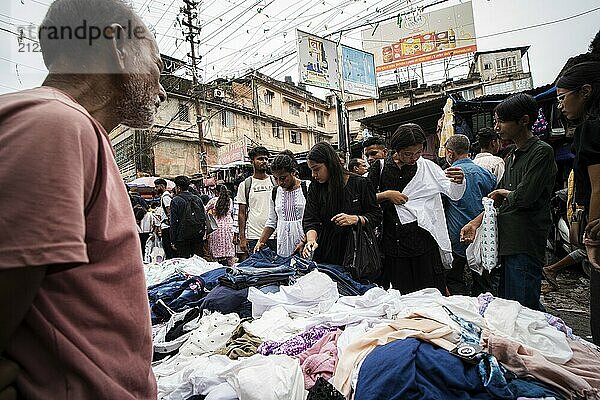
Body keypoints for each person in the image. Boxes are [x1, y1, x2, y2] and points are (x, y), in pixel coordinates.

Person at [0, 0, 166, 398]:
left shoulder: (76, 130)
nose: (160, 90)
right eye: (156, 66)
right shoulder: (53, 124)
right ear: (117, 47)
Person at [461, 94, 557, 311]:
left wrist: (502, 192)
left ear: (523, 121)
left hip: (524, 241)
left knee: (523, 309)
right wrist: (475, 223)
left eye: (501, 121)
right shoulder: (511, 155)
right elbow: (498, 201)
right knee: (509, 305)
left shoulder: (541, 151)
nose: (497, 127)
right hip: (507, 243)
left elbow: (523, 198)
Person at [368, 124, 465, 293]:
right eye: (408, 154)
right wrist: (386, 195)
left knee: (430, 295)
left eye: (418, 152)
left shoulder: (427, 167)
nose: (414, 157)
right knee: (402, 297)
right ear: (396, 149)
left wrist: (459, 182)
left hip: (423, 243)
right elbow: (364, 199)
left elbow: (453, 193)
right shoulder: (381, 167)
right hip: (393, 245)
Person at [555, 38, 600, 343]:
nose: (560, 105)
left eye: (562, 97)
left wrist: (593, 237)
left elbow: (599, 187)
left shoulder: (593, 129)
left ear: (585, 92)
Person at [302, 142, 382, 266]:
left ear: (330, 164)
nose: (314, 175)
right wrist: (311, 240)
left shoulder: (360, 183)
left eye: (316, 169)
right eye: (311, 170)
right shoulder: (315, 187)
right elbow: (311, 219)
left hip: (357, 251)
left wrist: (356, 219)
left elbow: (376, 216)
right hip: (326, 251)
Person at [443, 134, 497, 296]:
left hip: (455, 237)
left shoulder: (447, 174)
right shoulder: (486, 174)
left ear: (450, 153)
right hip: (482, 236)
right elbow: (494, 202)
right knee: (483, 281)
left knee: (454, 280)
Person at [255, 151, 310, 257]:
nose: (279, 182)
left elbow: (315, 220)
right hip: (283, 245)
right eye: (276, 178)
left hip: (306, 244)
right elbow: (272, 221)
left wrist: (305, 241)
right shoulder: (275, 192)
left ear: (293, 172)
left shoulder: (307, 187)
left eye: (283, 178)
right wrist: (261, 242)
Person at [235, 146, 277, 256]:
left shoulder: (275, 181)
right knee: (257, 270)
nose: (264, 162)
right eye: (260, 159)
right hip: (254, 236)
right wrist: (242, 237)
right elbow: (242, 213)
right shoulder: (245, 185)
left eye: (266, 159)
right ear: (252, 161)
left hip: (275, 235)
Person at [170, 175, 207, 259]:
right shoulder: (198, 199)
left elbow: (173, 222)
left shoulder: (176, 200)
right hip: (197, 235)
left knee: (184, 263)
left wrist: (173, 240)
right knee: (198, 261)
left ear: (178, 187)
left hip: (182, 236)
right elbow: (203, 217)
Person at [206, 185, 235, 266]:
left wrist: (210, 217)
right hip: (228, 227)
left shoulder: (213, 201)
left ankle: (216, 269)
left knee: (215, 253)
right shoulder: (230, 201)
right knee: (229, 252)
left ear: (216, 192)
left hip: (216, 227)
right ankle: (232, 269)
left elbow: (204, 210)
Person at [154, 178, 175, 259]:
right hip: (166, 226)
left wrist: (170, 223)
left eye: (157, 187)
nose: (155, 189)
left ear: (162, 186)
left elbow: (169, 211)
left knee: (168, 249)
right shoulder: (164, 196)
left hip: (167, 227)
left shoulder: (166, 197)